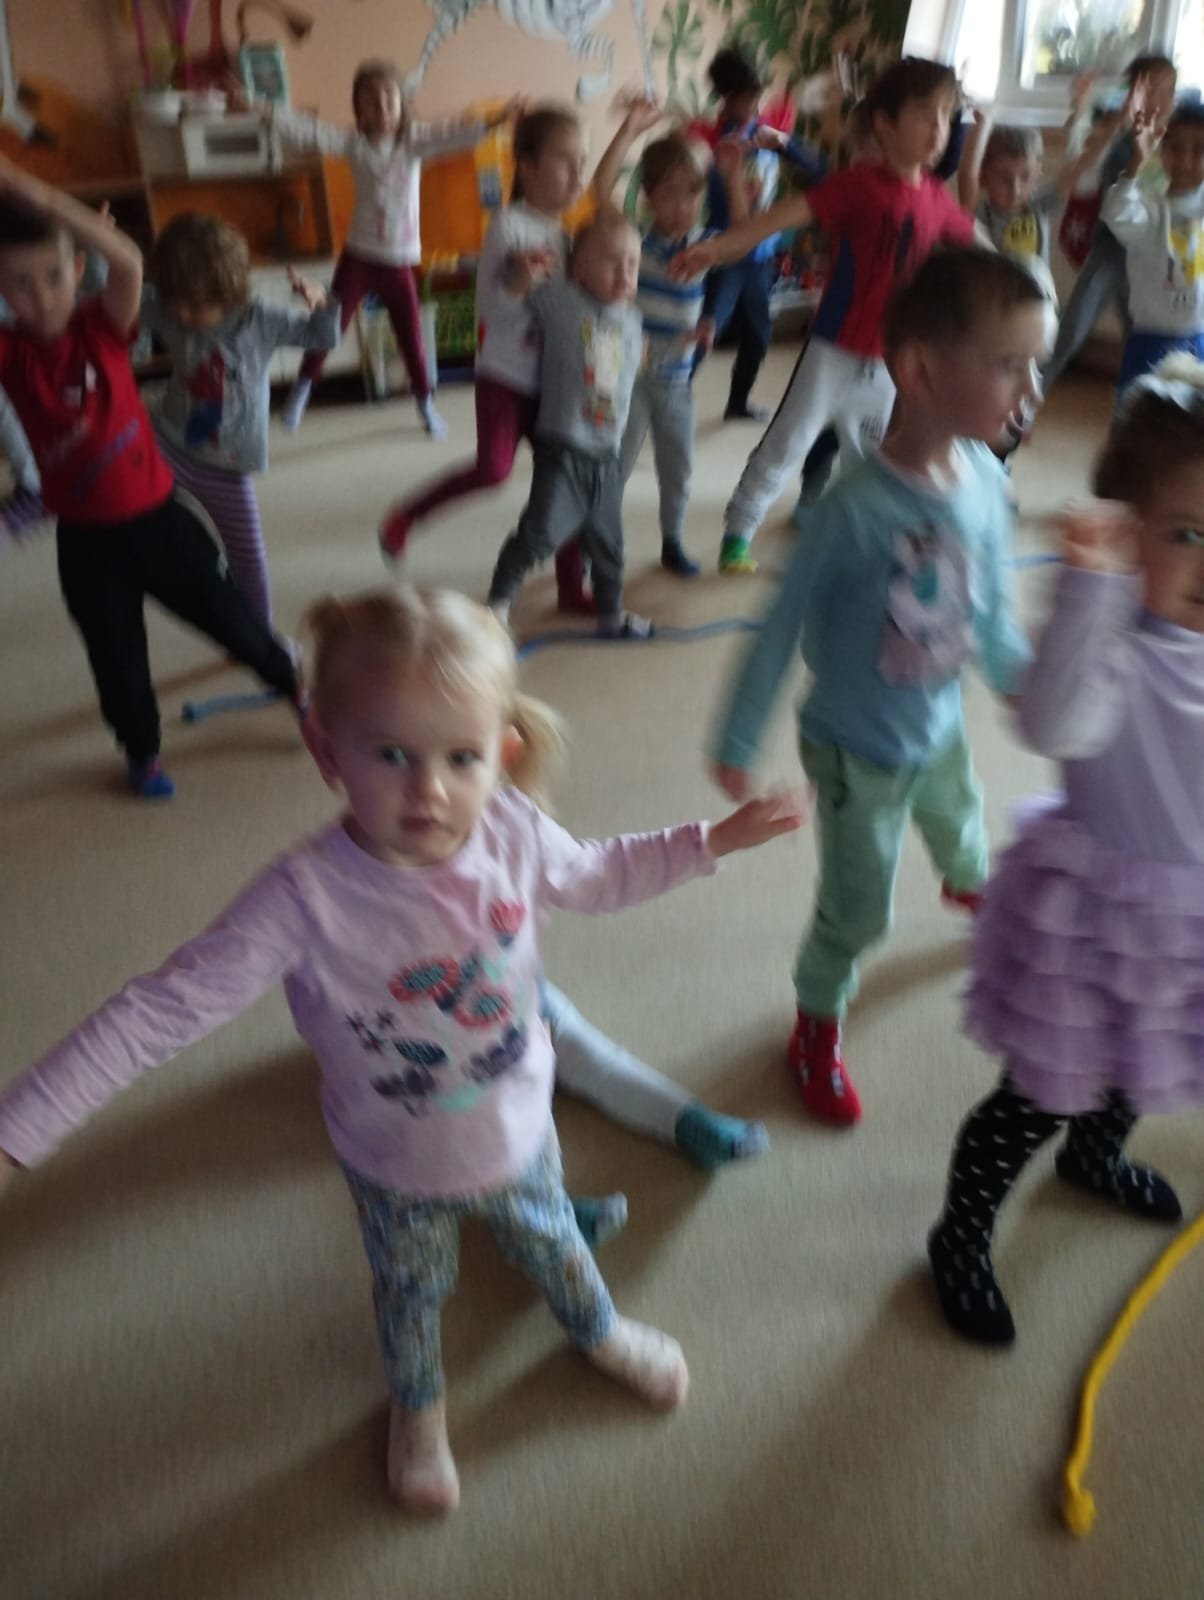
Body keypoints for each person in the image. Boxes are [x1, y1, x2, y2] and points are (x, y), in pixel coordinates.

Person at [0, 584, 806, 1514]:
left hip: (520, 1132)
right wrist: (19, 1129)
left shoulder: (511, 830)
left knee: (555, 1246)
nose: (429, 790)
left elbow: (598, 874)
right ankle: (418, 1407)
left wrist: (709, 841)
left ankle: (598, 1329)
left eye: (461, 757)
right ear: (325, 751)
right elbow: (158, 1012)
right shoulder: (303, 900)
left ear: (501, 754)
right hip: (393, 1166)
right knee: (411, 1296)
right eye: (391, 754)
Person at [708, 248, 1044, 1124]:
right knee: (858, 909)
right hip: (855, 751)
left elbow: (991, 610)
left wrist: (1024, 685)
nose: (1032, 387)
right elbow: (779, 626)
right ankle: (816, 1020)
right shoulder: (851, 512)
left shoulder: (986, 480)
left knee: (960, 813)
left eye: (1034, 364)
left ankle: (968, 880)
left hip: (939, 720)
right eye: (1010, 364)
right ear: (923, 371)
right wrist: (739, 738)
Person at [928, 360, 1204, 1346]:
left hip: (1187, 925)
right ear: (1126, 531)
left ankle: (1095, 1158)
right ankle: (960, 1234)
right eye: (1185, 534)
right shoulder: (1112, 640)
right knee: (1038, 1095)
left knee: (1142, 1061)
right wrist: (1090, 590)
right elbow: (1052, 722)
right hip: (1096, 916)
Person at [0, 158, 300, 799]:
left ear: (78, 269)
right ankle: (142, 752)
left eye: (53, 277)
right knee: (117, 662)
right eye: (19, 285)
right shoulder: (11, 353)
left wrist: (39, 195)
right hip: (86, 546)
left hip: (161, 523)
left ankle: (294, 686)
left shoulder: (102, 327)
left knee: (231, 616)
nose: (41, 297)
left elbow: (130, 262)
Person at [674, 56, 977, 576]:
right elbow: (778, 217)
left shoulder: (936, 200)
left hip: (888, 362)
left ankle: (870, 542)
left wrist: (1022, 291)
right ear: (885, 125)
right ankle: (739, 532)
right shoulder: (857, 185)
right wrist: (716, 248)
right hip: (832, 351)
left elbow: (978, 248)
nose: (938, 130)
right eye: (925, 115)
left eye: (946, 117)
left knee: (872, 459)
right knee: (788, 441)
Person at [378, 103, 596, 613]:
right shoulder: (508, 227)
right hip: (504, 375)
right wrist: (517, 283)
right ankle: (406, 516)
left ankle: (571, 585)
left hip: (554, 384)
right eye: (565, 161)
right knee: (494, 470)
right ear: (528, 166)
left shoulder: (570, 237)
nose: (578, 174)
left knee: (566, 480)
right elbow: (491, 312)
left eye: (583, 162)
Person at [264, 61, 514, 439]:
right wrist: (262, 108)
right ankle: (300, 391)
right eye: (371, 101)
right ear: (359, 110)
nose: (381, 107)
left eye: (389, 99)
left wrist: (494, 121)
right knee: (328, 328)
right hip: (359, 257)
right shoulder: (354, 145)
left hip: (398, 260)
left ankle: (425, 403)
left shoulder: (415, 141)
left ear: (401, 104)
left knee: (411, 337)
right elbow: (310, 131)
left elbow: (454, 135)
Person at [141, 212, 340, 625]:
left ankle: (259, 634)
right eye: (174, 302)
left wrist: (322, 302)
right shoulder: (165, 308)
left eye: (195, 305)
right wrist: (102, 254)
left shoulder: (259, 319)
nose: (182, 315)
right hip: (168, 442)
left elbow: (322, 337)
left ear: (228, 290)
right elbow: (114, 298)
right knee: (106, 487)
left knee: (248, 555)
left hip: (228, 464)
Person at [590, 102, 747, 578]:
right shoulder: (635, 240)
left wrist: (732, 177)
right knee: (614, 465)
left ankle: (672, 541)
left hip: (677, 383)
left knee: (678, 468)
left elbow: (744, 235)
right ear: (648, 197)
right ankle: (594, 546)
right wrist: (628, 129)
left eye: (692, 194)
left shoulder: (703, 246)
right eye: (670, 194)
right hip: (628, 380)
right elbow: (600, 188)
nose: (682, 206)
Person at [487, 210, 652, 638]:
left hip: (608, 456)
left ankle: (610, 616)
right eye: (612, 262)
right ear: (578, 270)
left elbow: (633, 370)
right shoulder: (564, 301)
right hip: (564, 448)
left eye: (633, 263)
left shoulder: (633, 320)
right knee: (539, 534)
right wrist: (521, 274)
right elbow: (512, 295)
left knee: (610, 547)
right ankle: (497, 605)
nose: (625, 273)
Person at [687, 46, 827, 422]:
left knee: (759, 337)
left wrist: (785, 144)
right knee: (706, 333)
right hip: (727, 254)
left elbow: (821, 174)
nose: (753, 105)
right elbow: (695, 186)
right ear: (726, 98)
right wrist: (721, 159)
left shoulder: (765, 133)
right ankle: (671, 394)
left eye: (756, 96)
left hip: (761, 258)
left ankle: (738, 404)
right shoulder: (710, 138)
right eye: (744, 99)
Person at [1041, 55, 1179, 396]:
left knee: (1141, 334)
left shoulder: (1176, 145)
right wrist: (1085, 109)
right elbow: (1082, 171)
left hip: (1149, 256)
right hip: (1112, 248)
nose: (1163, 99)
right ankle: (1031, 394)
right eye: (1153, 90)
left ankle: (1144, 403)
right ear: (1133, 94)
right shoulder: (1116, 137)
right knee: (1074, 325)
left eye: (1170, 90)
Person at [1101, 103, 1204, 392]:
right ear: (1163, 151)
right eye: (1176, 148)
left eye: (1199, 150)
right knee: (1138, 413)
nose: (1185, 160)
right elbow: (1116, 212)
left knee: (1193, 416)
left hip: (1198, 337)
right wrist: (1136, 162)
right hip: (1150, 339)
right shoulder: (1148, 208)